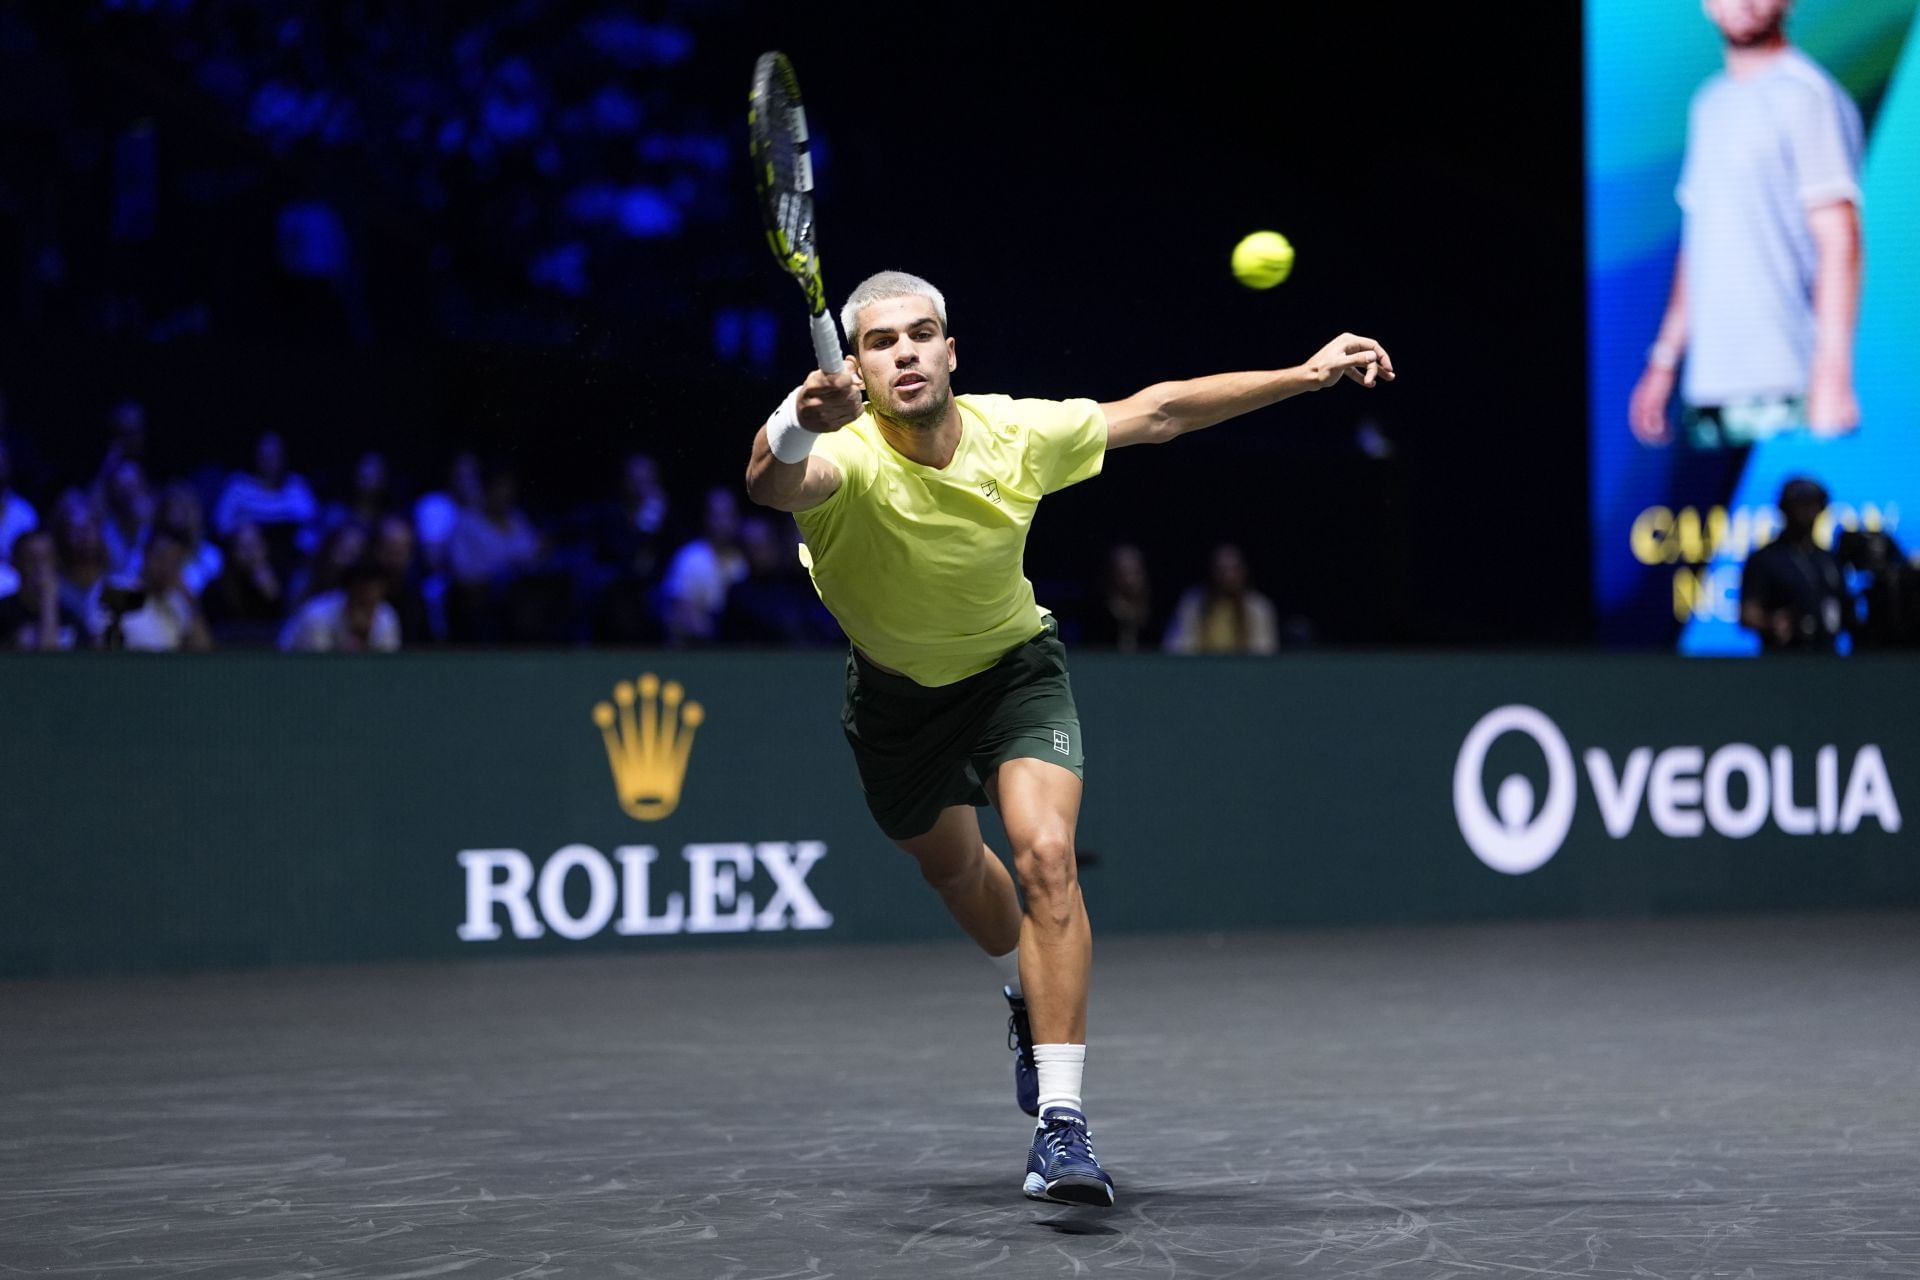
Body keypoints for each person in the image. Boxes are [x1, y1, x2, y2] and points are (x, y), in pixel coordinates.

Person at [743, 269, 1393, 1207]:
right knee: (957, 873)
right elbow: (768, 482)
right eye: (883, 344)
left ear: (951, 350)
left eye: (922, 334)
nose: (907, 354)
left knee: (1047, 857)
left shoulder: (1017, 432)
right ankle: (1021, 991)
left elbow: (1160, 412)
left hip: (1015, 673)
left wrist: (1305, 372)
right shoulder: (842, 461)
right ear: (857, 367)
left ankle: (1062, 1126)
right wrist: (800, 416)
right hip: (895, 703)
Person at [1628, 0, 1864, 449]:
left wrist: (1832, 377)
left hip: (1791, 387)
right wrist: (1664, 361)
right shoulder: (1709, 103)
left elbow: (1840, 240)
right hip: (1709, 386)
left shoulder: (1806, 94)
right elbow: (1701, 241)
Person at [1739, 475, 1853, 653]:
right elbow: (1747, 614)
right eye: (1799, 504)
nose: (1807, 511)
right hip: (1784, 661)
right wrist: (1772, 622)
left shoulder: (1828, 560)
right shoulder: (1765, 559)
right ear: (1784, 509)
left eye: (1813, 504)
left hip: (1828, 657)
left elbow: (1846, 611)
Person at [1163, 542, 1281, 655]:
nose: (1228, 577)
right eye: (1221, 570)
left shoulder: (1258, 607)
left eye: (1233, 570)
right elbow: (1176, 647)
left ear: (1243, 572)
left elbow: (1264, 651)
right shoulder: (1193, 602)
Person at [278, 556, 401, 653]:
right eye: (362, 598)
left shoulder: (386, 616)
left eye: (375, 594)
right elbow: (318, 670)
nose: (369, 601)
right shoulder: (317, 616)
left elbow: (386, 667)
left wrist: (364, 639)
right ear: (350, 591)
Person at [0, 530, 85, 650]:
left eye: (46, 559)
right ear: (16, 563)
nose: (39, 567)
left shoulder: (72, 618)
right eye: (31, 559)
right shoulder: (3, 614)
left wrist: (49, 601)